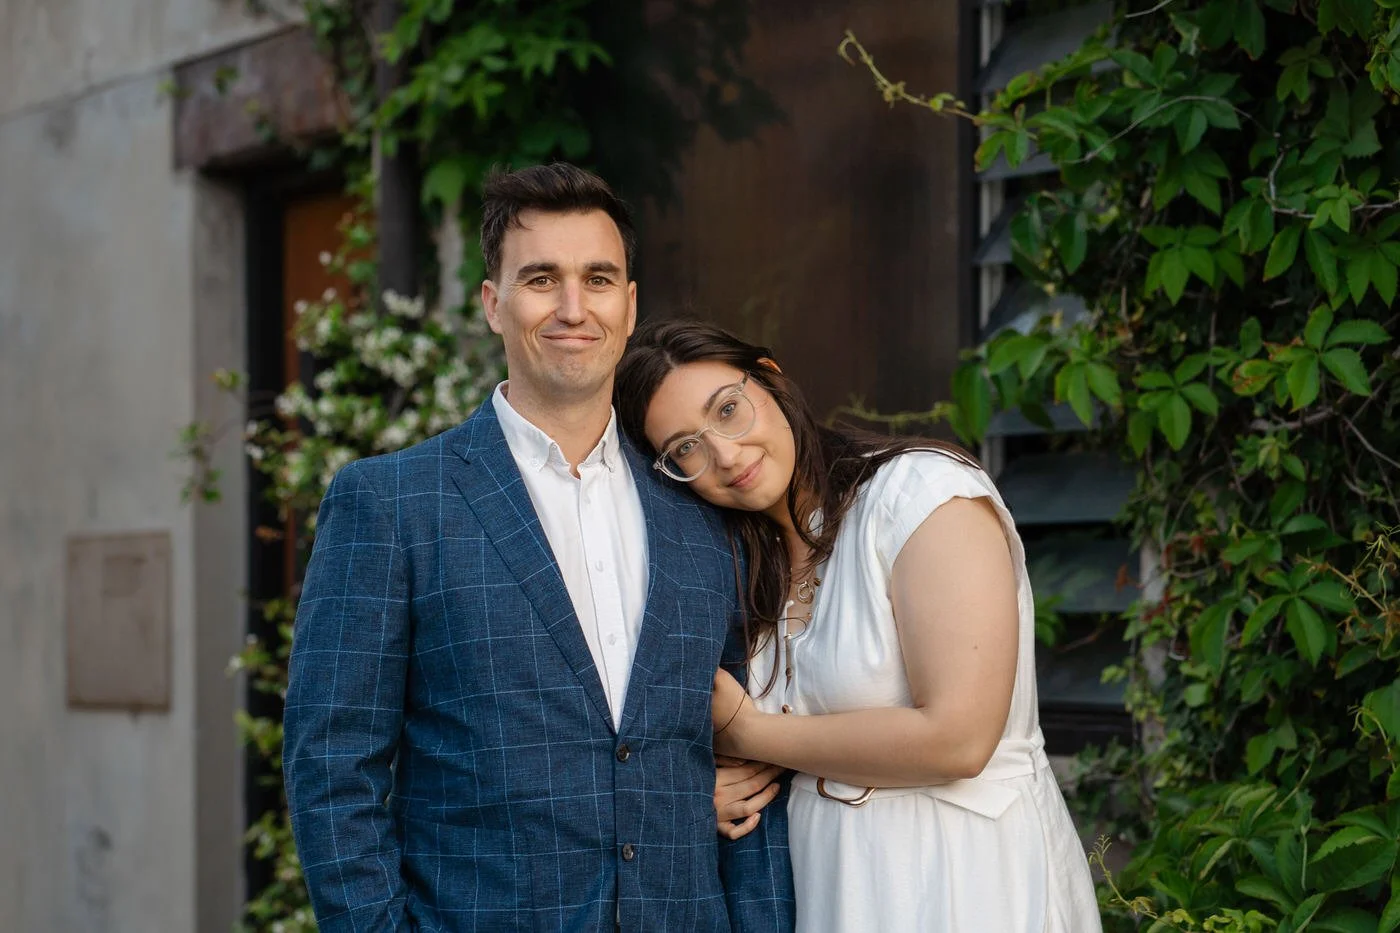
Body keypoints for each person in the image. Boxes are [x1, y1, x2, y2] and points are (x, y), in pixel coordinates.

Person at [282, 164, 794, 933]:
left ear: (629, 304)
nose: (571, 307)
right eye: (540, 279)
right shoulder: (391, 503)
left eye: (597, 278)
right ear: (494, 304)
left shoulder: (700, 508)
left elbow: (740, 774)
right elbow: (331, 770)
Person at [615, 320, 1102, 933]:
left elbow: (959, 739)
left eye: (729, 410)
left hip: (969, 879)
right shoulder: (742, 565)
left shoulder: (920, 495)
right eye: (685, 447)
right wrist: (704, 790)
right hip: (838, 890)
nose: (726, 455)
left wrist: (748, 734)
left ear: (770, 377)